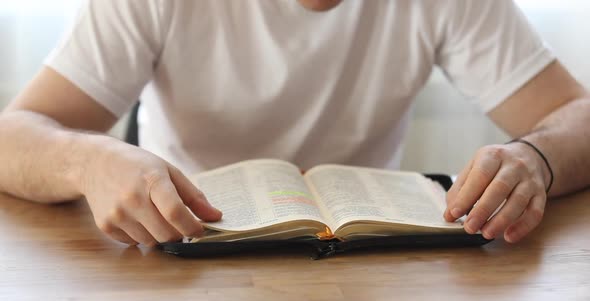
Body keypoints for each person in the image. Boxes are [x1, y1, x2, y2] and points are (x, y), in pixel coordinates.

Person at [0, 0, 588, 247]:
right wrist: (89, 160)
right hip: (182, 259)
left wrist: (535, 156)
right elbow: (13, 133)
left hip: (364, 263)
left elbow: (577, 117)